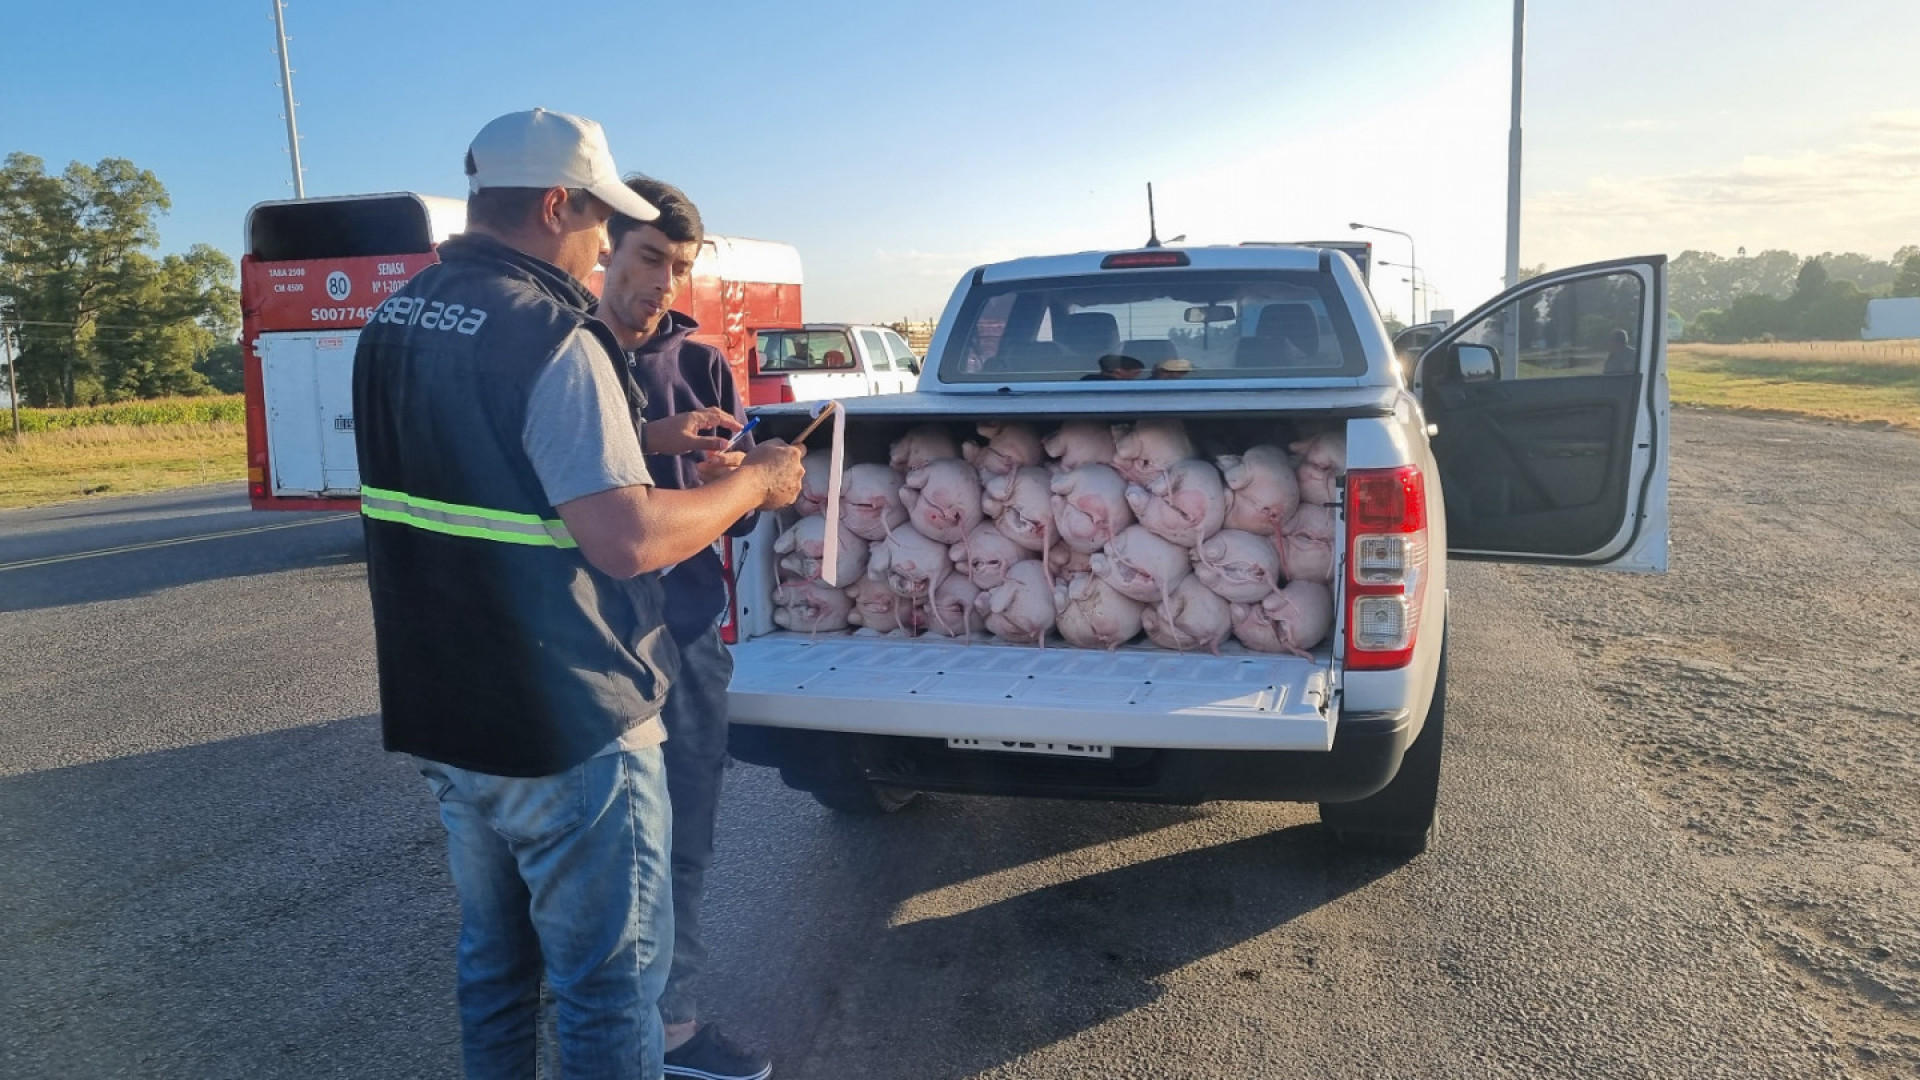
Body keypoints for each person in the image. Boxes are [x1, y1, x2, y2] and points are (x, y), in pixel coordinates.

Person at [351, 109, 803, 1080]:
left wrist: (650, 448)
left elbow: (495, 470)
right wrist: (754, 484)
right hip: (569, 724)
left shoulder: (395, 318)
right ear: (557, 204)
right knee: (610, 992)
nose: (602, 247)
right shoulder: (555, 335)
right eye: (602, 223)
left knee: (495, 969)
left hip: (446, 716)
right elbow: (628, 539)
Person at [595, 175, 771, 1080]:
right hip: (586, 639)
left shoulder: (700, 362)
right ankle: (599, 1020)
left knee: (685, 838)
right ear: (605, 251)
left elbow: (736, 517)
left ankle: (673, 1027)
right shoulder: (568, 355)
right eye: (650, 259)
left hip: (689, 632)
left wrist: (731, 481)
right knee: (600, 847)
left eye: (680, 268)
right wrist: (656, 443)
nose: (665, 284)